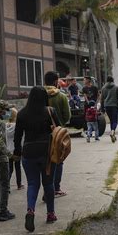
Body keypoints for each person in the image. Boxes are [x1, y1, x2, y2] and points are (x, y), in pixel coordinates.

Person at [14, 86, 60, 231]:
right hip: (47, 152)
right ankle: (51, 214)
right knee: (48, 183)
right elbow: (59, 130)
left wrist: (17, 152)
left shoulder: (21, 114)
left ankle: (30, 211)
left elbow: (17, 137)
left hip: (28, 152)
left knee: (33, 184)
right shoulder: (50, 111)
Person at [44, 71, 71, 199]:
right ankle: (56, 189)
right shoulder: (61, 96)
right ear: (56, 81)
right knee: (58, 160)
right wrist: (60, 123)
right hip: (58, 133)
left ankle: (47, 189)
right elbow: (67, 116)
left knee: (46, 161)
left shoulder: (38, 94)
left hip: (42, 133)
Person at [101, 76, 118, 143]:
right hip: (114, 106)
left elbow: (102, 99)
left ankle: (113, 134)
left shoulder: (103, 88)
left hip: (107, 106)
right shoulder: (116, 87)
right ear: (113, 80)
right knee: (115, 121)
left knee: (111, 121)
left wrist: (102, 107)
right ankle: (113, 131)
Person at [6, 107, 24, 190]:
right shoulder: (17, 126)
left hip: (8, 149)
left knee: (9, 168)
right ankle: (19, 184)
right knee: (17, 167)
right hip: (16, 149)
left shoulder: (5, 125)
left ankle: (7, 185)